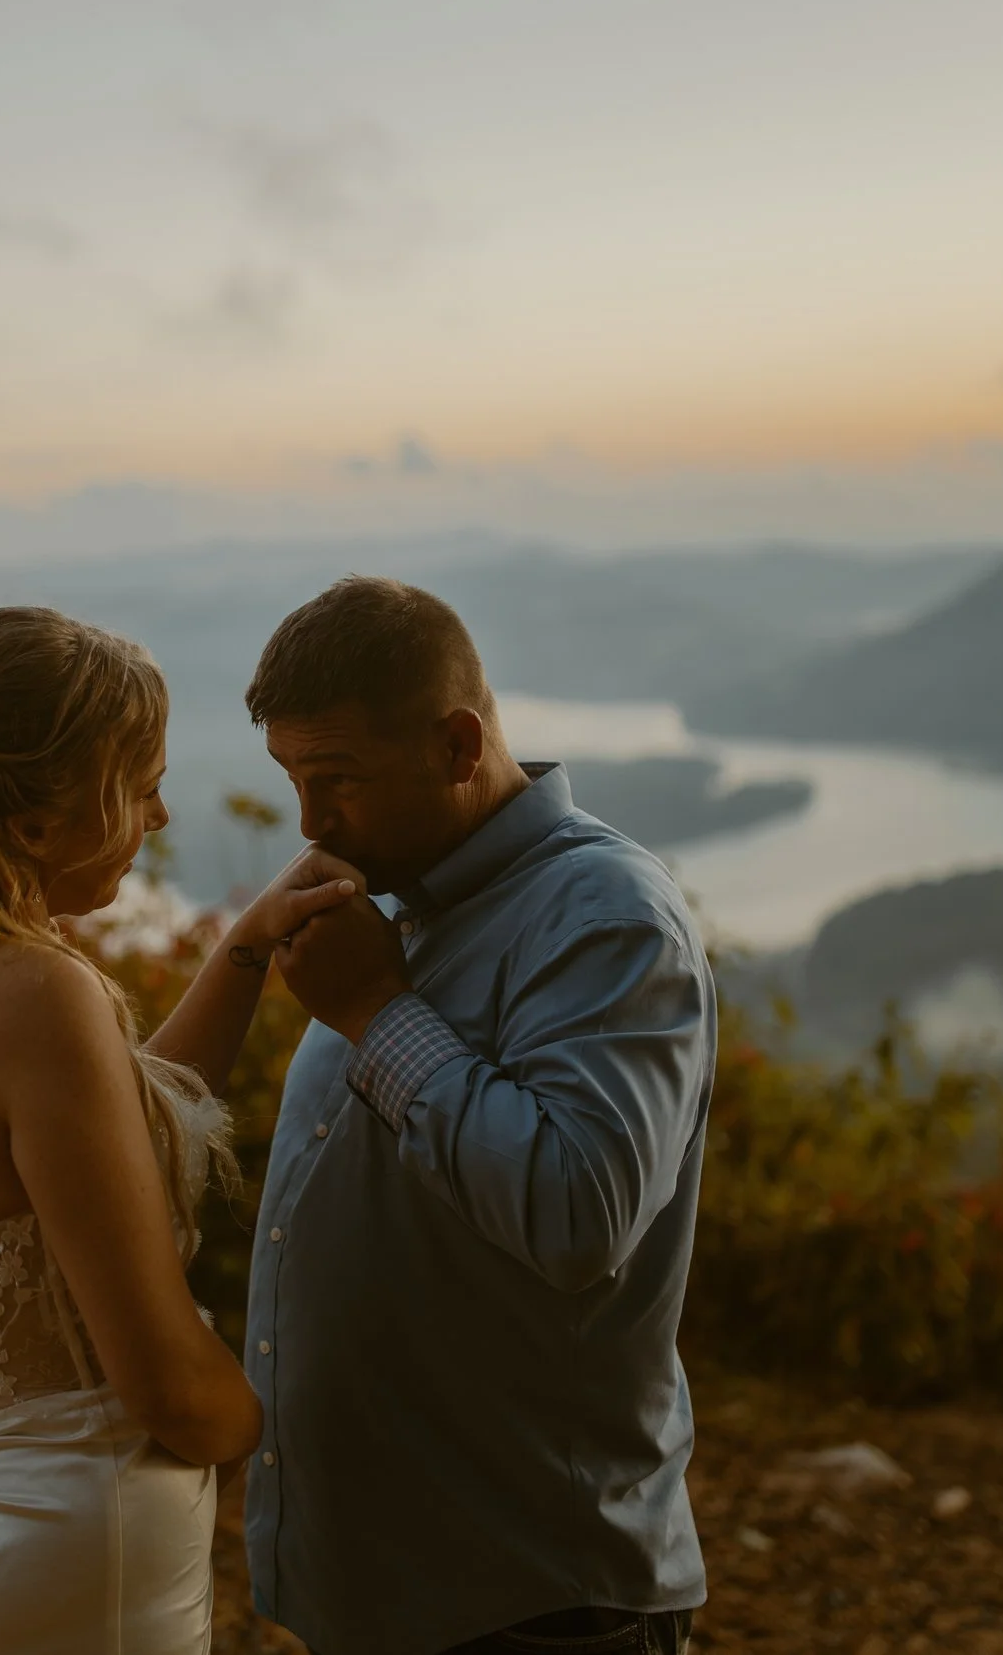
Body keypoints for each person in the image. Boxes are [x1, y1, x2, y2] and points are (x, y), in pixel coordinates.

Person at [0, 605, 355, 1653]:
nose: (161, 816)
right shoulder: (41, 994)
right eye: (137, 787)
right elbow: (169, 1387)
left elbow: (99, 1140)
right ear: (37, 820)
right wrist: (273, 1421)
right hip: (76, 1530)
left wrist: (242, 952)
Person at [240, 577, 714, 1655]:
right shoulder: (405, 901)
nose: (309, 822)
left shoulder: (605, 916)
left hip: (531, 1595)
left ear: (458, 745)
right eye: (292, 780)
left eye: (337, 780)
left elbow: (576, 1209)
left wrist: (372, 1010)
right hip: (391, 1585)